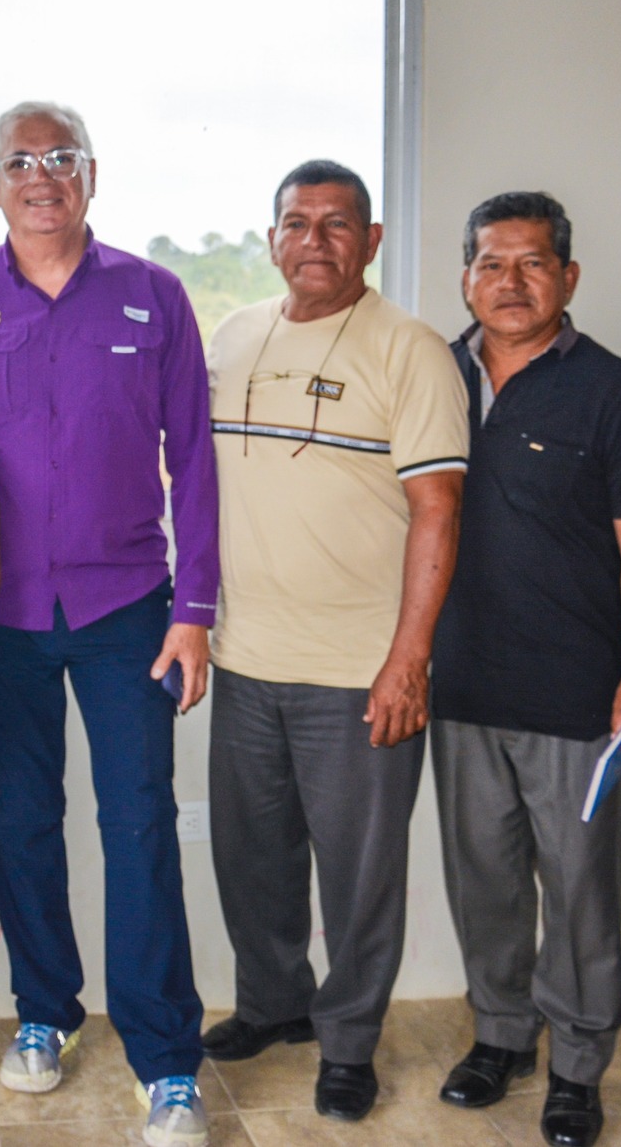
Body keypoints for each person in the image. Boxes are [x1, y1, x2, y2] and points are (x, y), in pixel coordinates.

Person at [0, 102, 217, 1147]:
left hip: (127, 609)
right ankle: (44, 1011)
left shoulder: (152, 294)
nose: (40, 175)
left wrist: (194, 610)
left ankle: (166, 1059)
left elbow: (196, 459)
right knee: (19, 815)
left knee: (139, 824)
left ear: (90, 173)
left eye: (60, 157)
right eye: (19, 161)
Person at [201, 159, 467, 1123]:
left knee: (360, 879)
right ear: (272, 236)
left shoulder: (412, 350)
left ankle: (349, 1042)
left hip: (359, 672)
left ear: (373, 240)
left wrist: (408, 659)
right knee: (252, 859)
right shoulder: (234, 335)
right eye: (297, 222)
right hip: (243, 659)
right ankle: (274, 1004)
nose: (314, 240)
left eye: (337, 223)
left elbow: (438, 510)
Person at [428, 192, 621, 1147]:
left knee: (579, 893)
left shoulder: (613, 388)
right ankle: (502, 1035)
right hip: (462, 687)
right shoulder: (434, 373)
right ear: (466, 277)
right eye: (492, 263)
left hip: (580, 696)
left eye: (533, 263)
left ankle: (578, 1062)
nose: (511, 282)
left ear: (568, 277)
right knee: (483, 880)